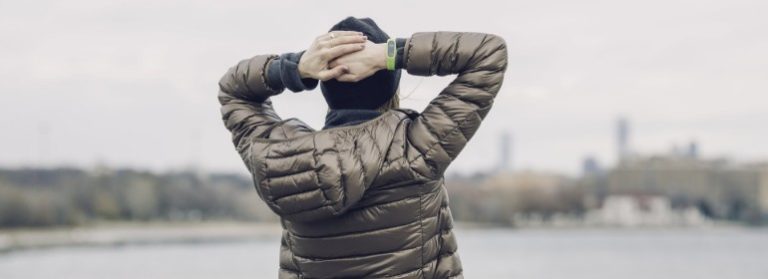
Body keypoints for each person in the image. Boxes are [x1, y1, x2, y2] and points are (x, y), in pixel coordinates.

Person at [218, 17, 507, 279]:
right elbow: (488, 53)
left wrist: (297, 67)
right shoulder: (417, 147)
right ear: (389, 85)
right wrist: (388, 54)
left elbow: (233, 91)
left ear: (325, 84)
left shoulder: (280, 160)